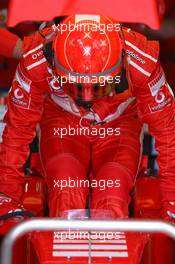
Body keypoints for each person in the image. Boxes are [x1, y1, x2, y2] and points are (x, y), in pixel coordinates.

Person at [0, 15, 175, 222]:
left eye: (100, 87)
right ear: (53, 60)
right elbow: (16, 130)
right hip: (62, 120)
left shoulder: (142, 60)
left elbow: (168, 135)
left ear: (120, 63)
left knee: (113, 190)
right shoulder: (35, 58)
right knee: (66, 185)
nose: (88, 97)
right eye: (77, 87)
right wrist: (7, 196)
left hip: (120, 123)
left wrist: (172, 202)